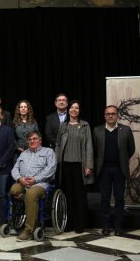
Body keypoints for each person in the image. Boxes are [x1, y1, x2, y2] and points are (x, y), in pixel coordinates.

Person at [93, 105, 135, 236]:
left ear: (117, 115)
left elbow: (131, 149)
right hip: (104, 170)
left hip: (119, 170)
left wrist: (123, 159)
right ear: (104, 116)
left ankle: (118, 226)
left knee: (119, 199)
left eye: (113, 113)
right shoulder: (97, 130)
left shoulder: (126, 130)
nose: (110, 115)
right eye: (108, 114)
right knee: (105, 198)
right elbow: (95, 150)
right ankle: (105, 226)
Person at [55, 100, 94, 233]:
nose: (74, 110)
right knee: (68, 195)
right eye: (72, 107)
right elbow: (58, 145)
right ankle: (68, 223)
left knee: (80, 196)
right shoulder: (63, 126)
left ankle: (80, 224)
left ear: (79, 111)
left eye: (76, 108)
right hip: (65, 166)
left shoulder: (84, 125)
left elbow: (89, 145)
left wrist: (88, 165)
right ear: (68, 109)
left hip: (79, 166)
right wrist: (56, 161)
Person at [10, 131, 56, 241]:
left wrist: (35, 179)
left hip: (40, 184)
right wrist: (19, 178)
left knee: (31, 194)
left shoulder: (48, 152)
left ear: (40, 140)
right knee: (13, 190)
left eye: (35, 139)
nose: (32, 141)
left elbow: (51, 168)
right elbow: (15, 169)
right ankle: (26, 203)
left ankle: (28, 230)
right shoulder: (23, 153)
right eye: (30, 140)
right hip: (23, 183)